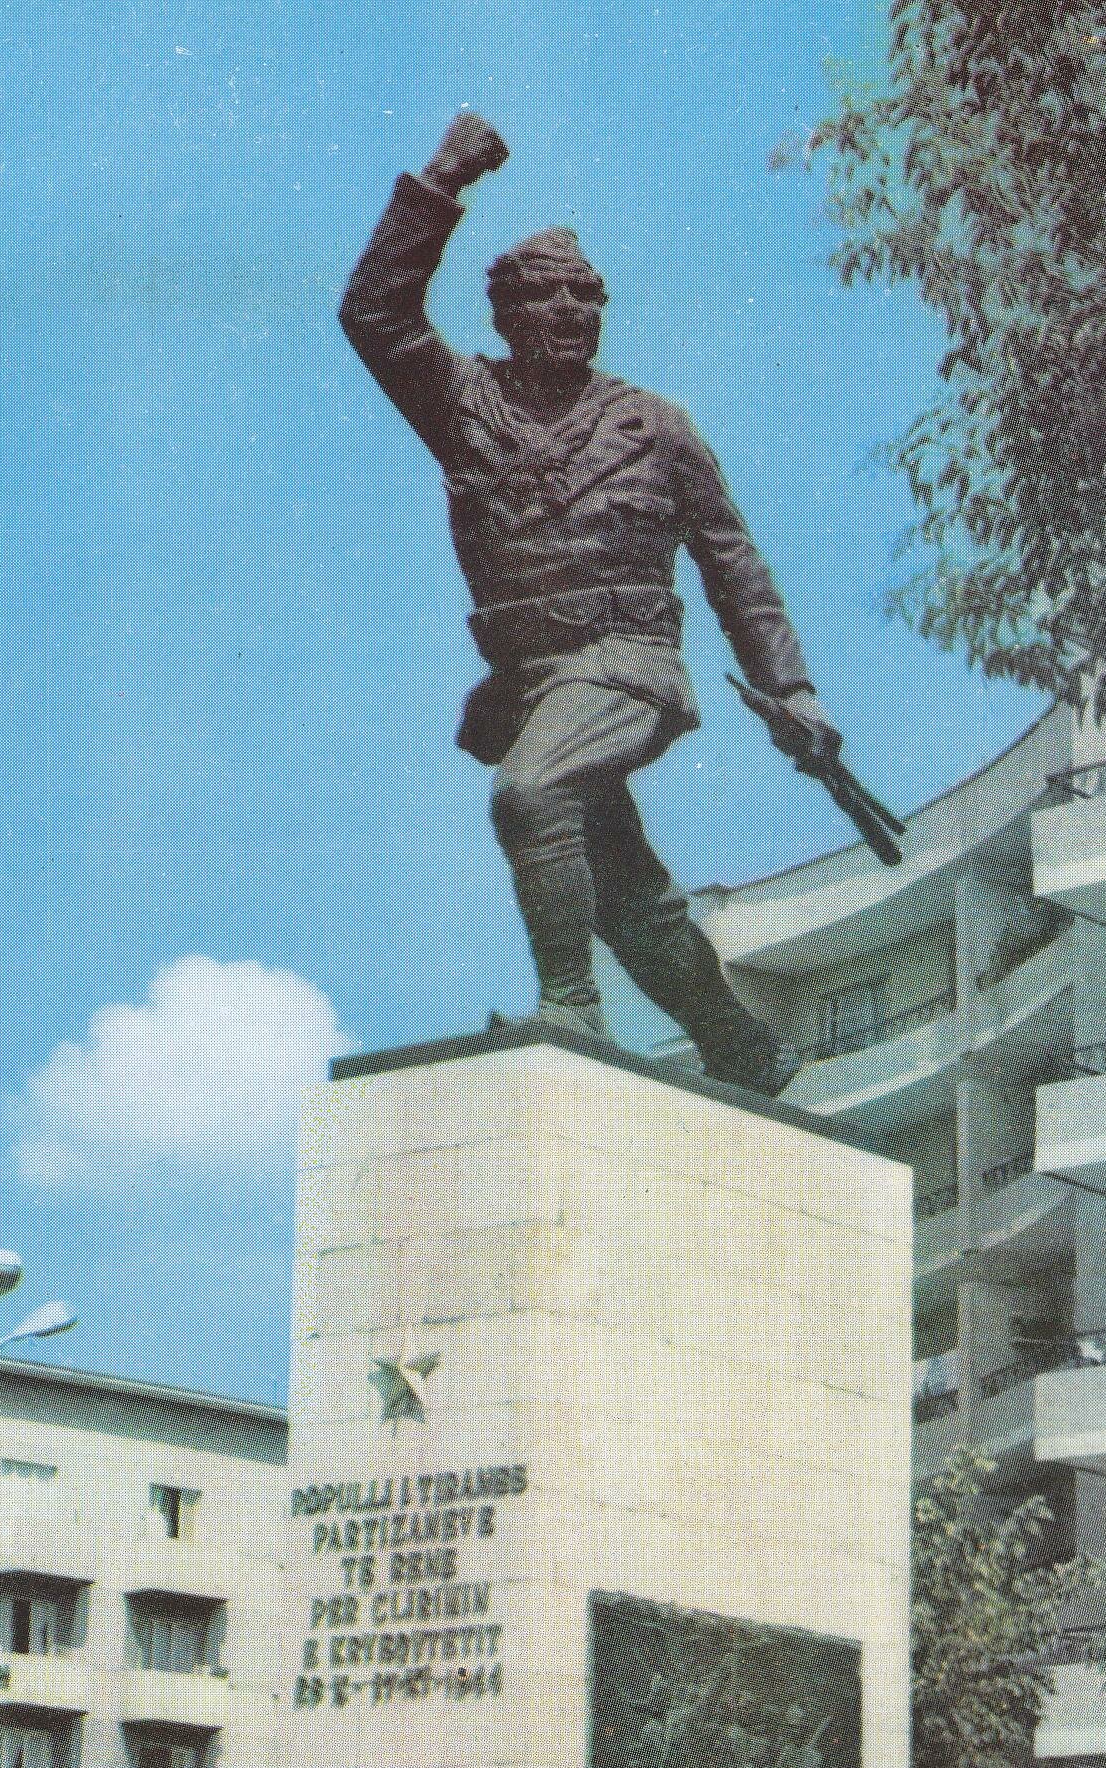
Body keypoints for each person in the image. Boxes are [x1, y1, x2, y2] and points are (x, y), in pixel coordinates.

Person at [339, 111, 844, 1095]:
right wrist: (442, 180)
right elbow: (374, 314)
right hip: (530, 681)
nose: (571, 310)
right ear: (505, 314)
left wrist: (793, 689)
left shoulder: (656, 427)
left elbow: (733, 564)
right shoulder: (463, 406)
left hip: (627, 664)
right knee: (623, 894)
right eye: (546, 295)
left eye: (587, 295)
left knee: (531, 795)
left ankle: (570, 1004)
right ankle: (745, 1046)